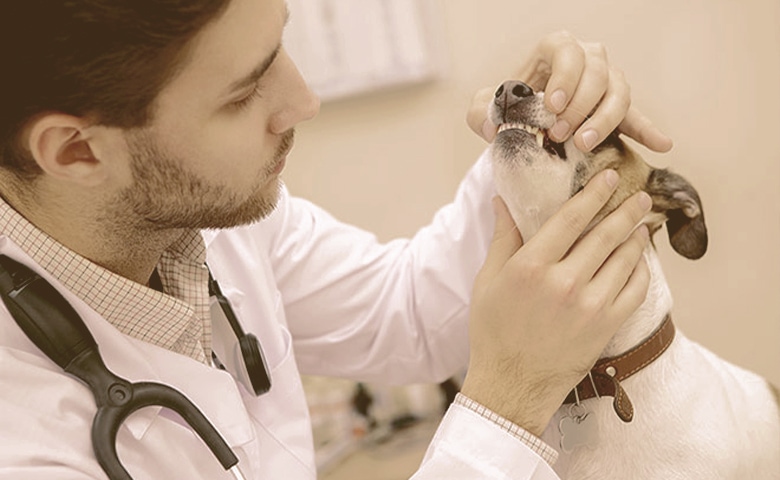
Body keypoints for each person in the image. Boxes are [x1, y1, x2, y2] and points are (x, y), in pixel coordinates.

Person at [0, 0, 672, 478]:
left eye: (280, 45)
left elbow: (408, 313)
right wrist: (507, 404)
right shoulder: (24, 446)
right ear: (77, 153)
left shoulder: (203, 224)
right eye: (241, 94)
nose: (303, 101)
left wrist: (524, 137)